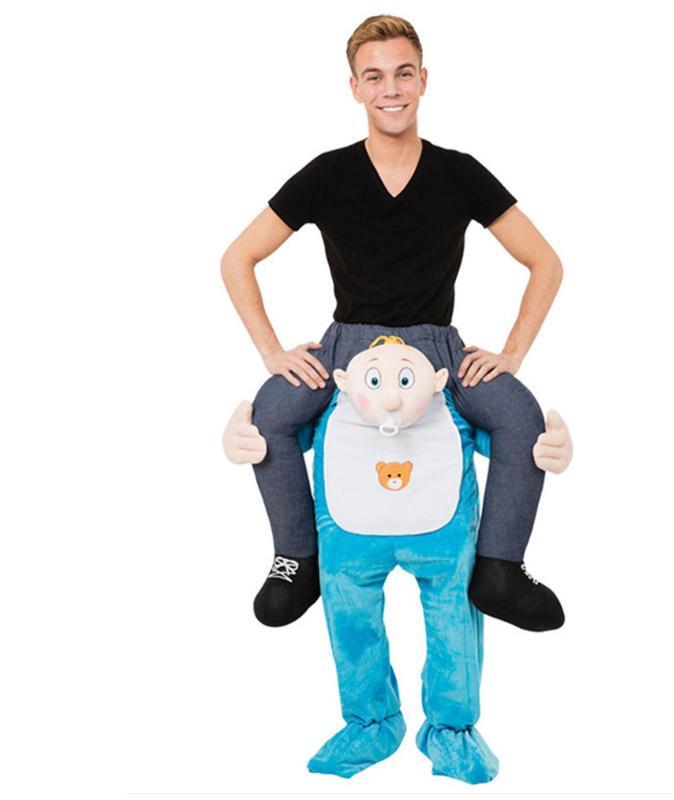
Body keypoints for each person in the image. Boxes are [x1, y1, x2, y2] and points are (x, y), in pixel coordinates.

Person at [220, 15, 568, 631]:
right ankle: (297, 556)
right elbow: (237, 258)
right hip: (348, 346)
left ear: (423, 80)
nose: (391, 89)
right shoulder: (327, 173)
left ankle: (501, 566)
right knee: (271, 412)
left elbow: (545, 262)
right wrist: (273, 353)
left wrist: (511, 354)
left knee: (520, 415)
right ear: (355, 87)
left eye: (403, 74)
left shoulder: (460, 172)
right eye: (375, 76)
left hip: (438, 349)